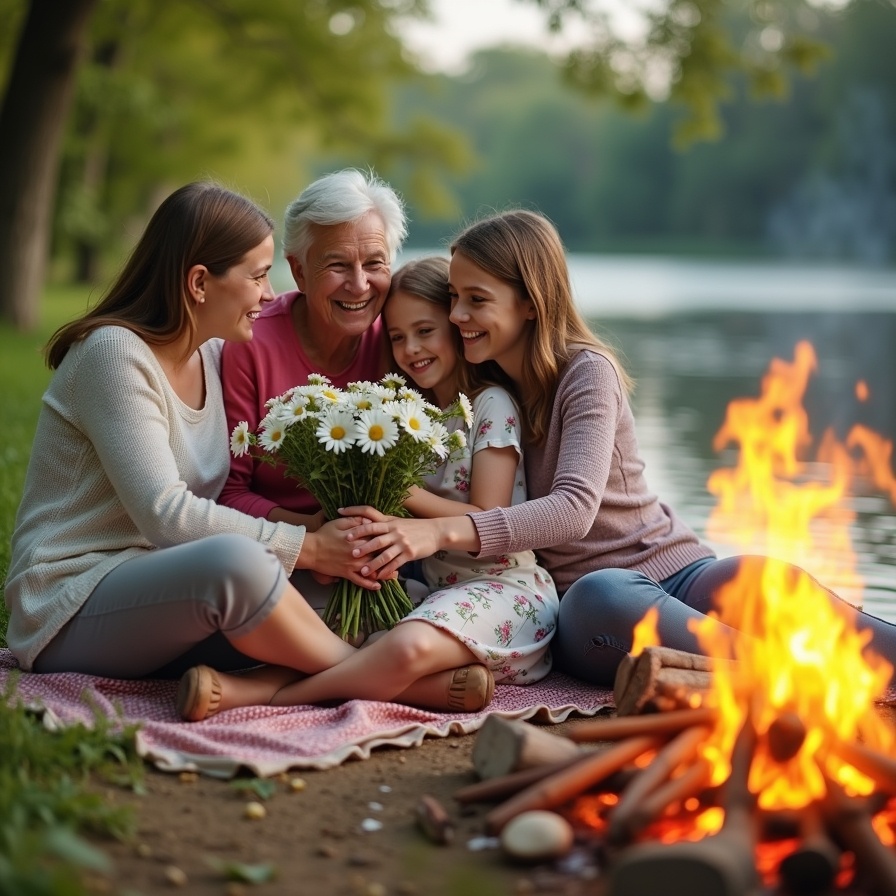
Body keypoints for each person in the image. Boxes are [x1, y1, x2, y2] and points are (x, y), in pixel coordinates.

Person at [341, 209, 896, 687]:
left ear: (530, 302)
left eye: (476, 300)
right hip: (593, 609)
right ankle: (790, 675)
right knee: (599, 596)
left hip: (680, 571)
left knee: (762, 581)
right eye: (455, 299)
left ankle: (831, 660)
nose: (457, 315)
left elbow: (574, 509)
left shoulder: (587, 372)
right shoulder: (482, 394)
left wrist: (438, 530)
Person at [3, 182, 386, 719]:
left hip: (168, 593)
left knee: (363, 599)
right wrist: (311, 548)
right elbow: (165, 514)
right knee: (237, 564)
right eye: (258, 275)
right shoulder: (115, 354)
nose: (270, 293)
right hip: (69, 604)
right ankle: (383, 679)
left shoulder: (211, 354)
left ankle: (316, 672)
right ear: (200, 282)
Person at [206, 255, 559, 711]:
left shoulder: (491, 405)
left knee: (404, 646)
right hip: (433, 592)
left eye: (425, 331)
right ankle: (437, 688)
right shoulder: (412, 418)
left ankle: (264, 695)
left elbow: (489, 520)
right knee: (344, 626)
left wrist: (404, 492)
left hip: (506, 593)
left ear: (456, 327)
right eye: (397, 337)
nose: (411, 349)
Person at [218, 168, 406, 535]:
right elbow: (230, 492)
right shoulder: (251, 344)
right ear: (299, 271)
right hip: (284, 547)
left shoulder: (403, 338)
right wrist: (312, 533)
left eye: (374, 263)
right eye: (337, 265)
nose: (359, 285)